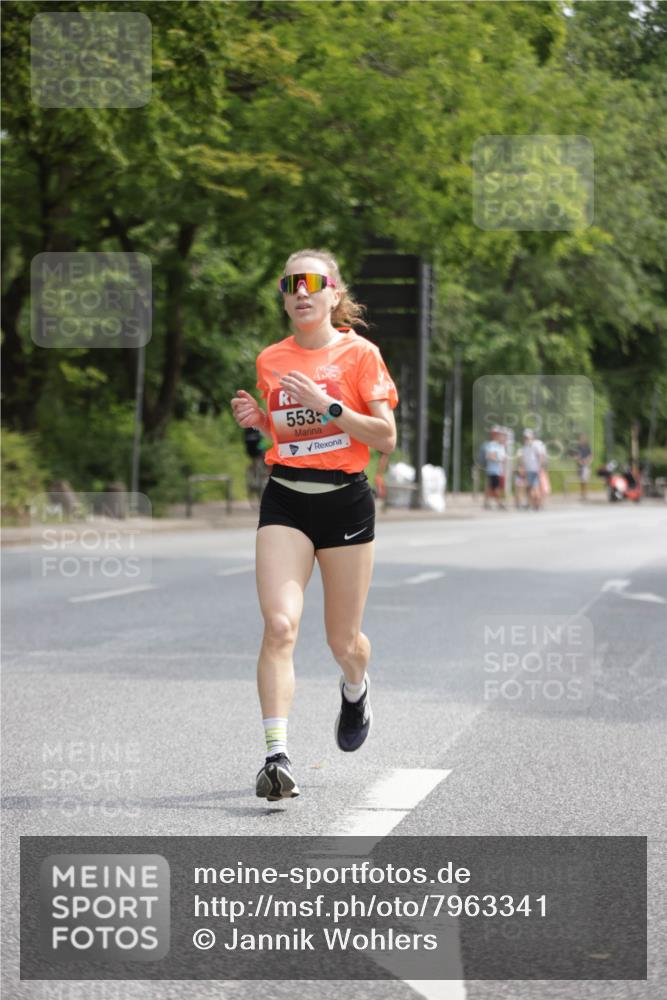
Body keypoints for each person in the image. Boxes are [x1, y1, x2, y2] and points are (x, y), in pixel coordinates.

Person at [230, 248, 398, 802]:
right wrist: (262, 424)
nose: (301, 292)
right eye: (290, 283)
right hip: (286, 500)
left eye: (312, 282)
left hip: (345, 503)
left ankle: (356, 688)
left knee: (342, 640)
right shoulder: (271, 360)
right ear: (284, 296)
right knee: (280, 625)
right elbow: (289, 435)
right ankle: (275, 756)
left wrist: (329, 406)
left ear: (333, 293)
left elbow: (384, 437)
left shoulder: (361, 355)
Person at [480, 426, 506, 510]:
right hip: (492, 470)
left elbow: (503, 458)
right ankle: (499, 503)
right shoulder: (491, 445)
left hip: (498, 470)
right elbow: (489, 456)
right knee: (495, 487)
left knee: (491, 487)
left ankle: (487, 503)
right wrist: (497, 457)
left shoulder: (500, 445)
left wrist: (496, 457)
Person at [518, 428, 545, 510]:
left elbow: (540, 457)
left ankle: (536, 504)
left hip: (534, 469)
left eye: (528, 437)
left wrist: (539, 467)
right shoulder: (525, 447)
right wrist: (523, 469)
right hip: (529, 470)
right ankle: (535, 504)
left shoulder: (535, 445)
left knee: (533, 487)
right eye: (526, 437)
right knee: (532, 487)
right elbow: (523, 460)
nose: (526, 439)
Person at [575, 433, 592, 501]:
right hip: (580, 465)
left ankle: (585, 493)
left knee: (585, 480)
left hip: (586, 466)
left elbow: (590, 456)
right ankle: (582, 493)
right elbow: (577, 456)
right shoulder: (579, 448)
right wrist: (579, 461)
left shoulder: (588, 448)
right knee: (581, 480)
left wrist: (587, 460)